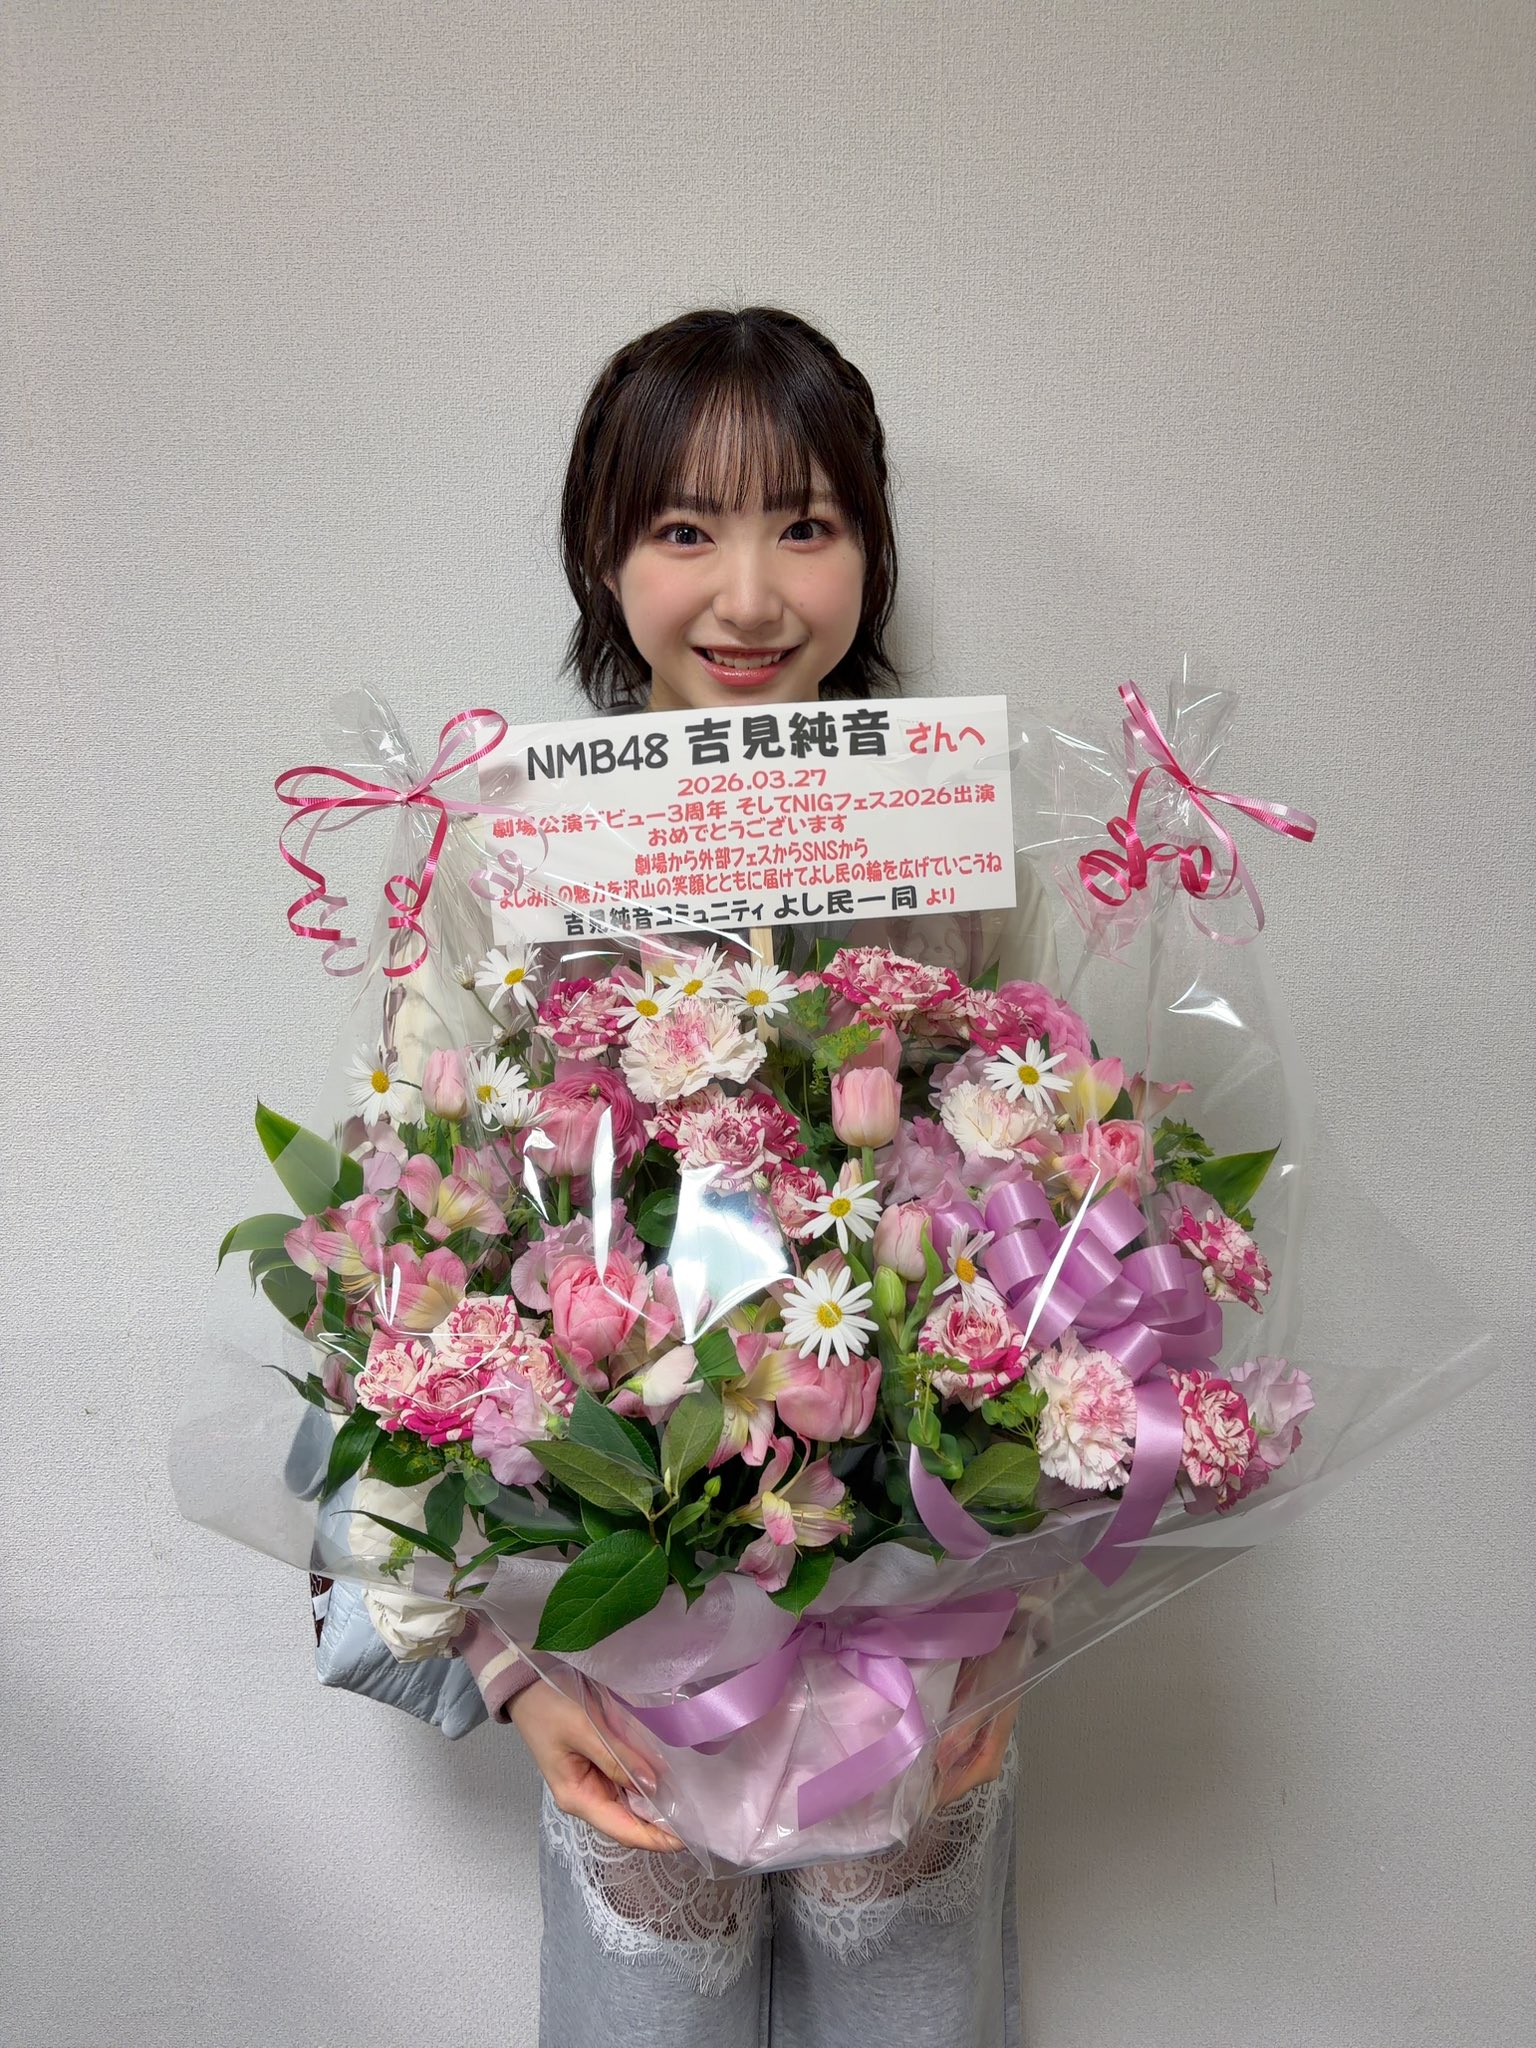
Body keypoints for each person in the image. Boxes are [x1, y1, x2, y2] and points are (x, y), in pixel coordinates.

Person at [442, 306, 1056, 2047]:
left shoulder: (951, 833)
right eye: (683, 528)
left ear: (872, 546)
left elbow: (1060, 1241)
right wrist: (505, 1668)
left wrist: (1006, 1630)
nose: (752, 594)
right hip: (623, 1659)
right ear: (603, 551)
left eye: (807, 523)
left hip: (914, 1654)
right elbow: (412, 1256)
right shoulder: (516, 848)